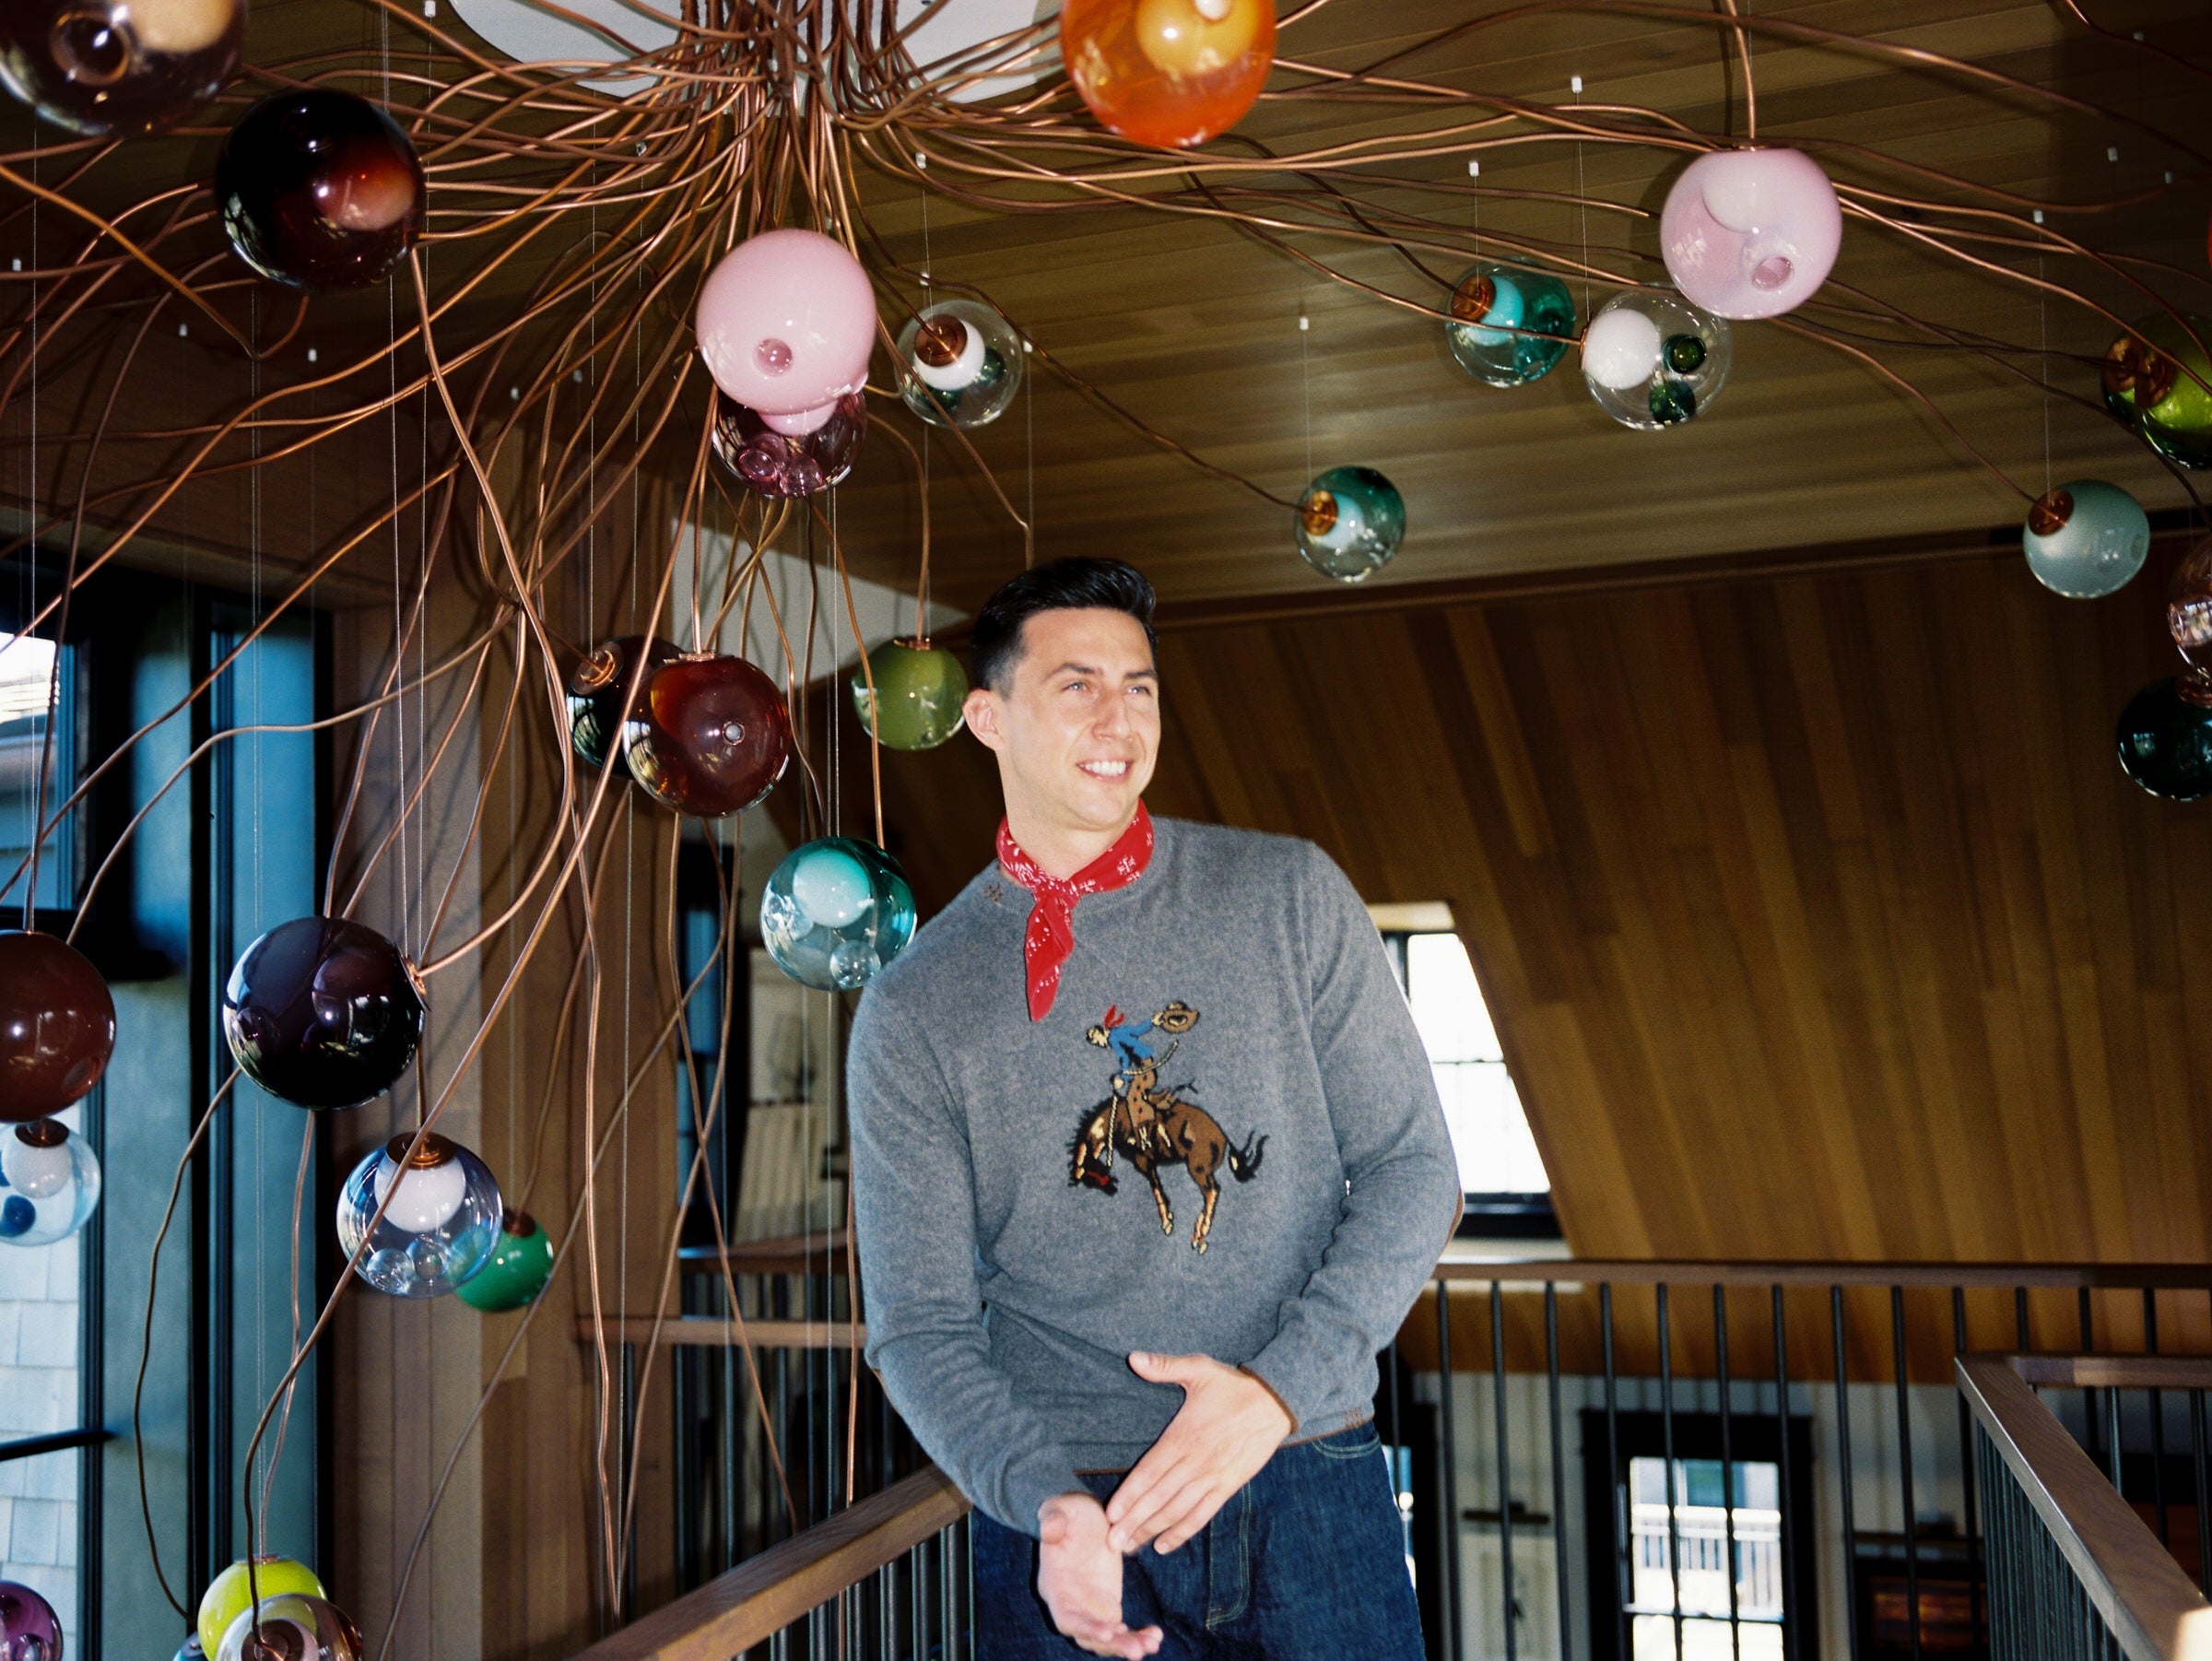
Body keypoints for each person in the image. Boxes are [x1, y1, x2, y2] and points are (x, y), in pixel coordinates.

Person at [848, 557, 1463, 1659]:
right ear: (986, 717)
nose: (1119, 715)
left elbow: (1417, 1173)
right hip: (1072, 1514)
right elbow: (919, 1325)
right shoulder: (914, 1005)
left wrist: (1275, 1392)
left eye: (1140, 685)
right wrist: (1045, 1501)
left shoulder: (1290, 895)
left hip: (1309, 1466)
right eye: (1076, 682)